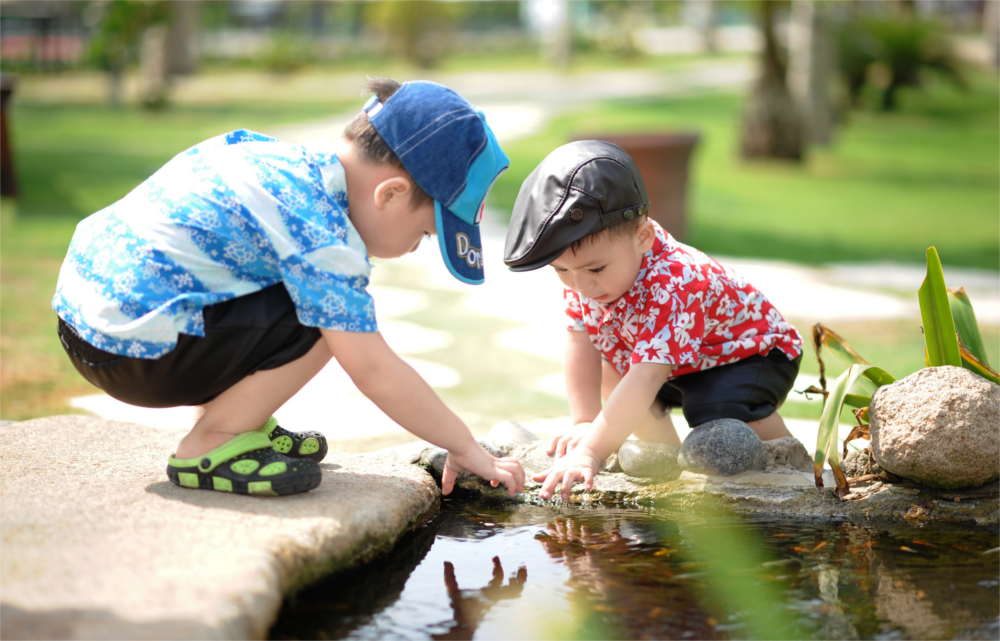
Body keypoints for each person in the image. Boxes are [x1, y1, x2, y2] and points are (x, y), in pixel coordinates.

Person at [53, 78, 525, 498]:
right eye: (424, 234)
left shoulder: (278, 160)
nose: (413, 249)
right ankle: (212, 442)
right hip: (132, 352)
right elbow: (373, 369)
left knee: (307, 295)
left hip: (88, 321)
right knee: (331, 321)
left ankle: (241, 422)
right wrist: (463, 445)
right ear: (391, 194)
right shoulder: (321, 232)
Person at [503, 140, 802, 500]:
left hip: (751, 355)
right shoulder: (586, 278)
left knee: (714, 410)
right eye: (561, 270)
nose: (581, 284)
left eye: (595, 268)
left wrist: (590, 451)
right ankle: (667, 463)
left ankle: (791, 465)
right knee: (612, 368)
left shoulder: (676, 280)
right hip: (679, 363)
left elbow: (648, 375)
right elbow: (580, 341)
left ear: (642, 237)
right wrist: (585, 421)